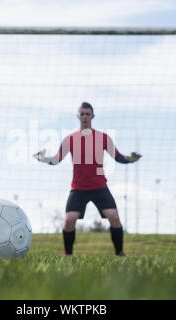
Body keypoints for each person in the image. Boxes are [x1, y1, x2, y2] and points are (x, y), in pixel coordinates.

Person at [33, 102, 141, 256]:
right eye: (82, 114)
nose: (84, 117)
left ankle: (119, 253)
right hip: (78, 188)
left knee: (114, 217)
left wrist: (130, 159)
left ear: (92, 116)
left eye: (87, 114)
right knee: (69, 220)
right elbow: (56, 159)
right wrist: (43, 158)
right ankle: (68, 254)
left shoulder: (103, 138)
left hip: (99, 187)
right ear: (78, 116)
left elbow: (118, 157)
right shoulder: (70, 139)